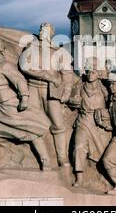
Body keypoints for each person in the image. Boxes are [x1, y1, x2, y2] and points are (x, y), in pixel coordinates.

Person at [0, 37, 52, 170]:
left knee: (30, 130)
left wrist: (24, 98)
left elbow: (20, 81)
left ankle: (45, 160)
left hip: (8, 104)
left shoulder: (5, 65)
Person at [18, 22, 74, 167]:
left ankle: (62, 158)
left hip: (52, 91)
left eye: (45, 30)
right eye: (41, 29)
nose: (42, 32)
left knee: (58, 124)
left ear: (51, 34)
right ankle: (42, 159)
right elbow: (24, 66)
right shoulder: (31, 48)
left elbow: (67, 73)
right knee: (32, 123)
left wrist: (67, 90)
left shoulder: (59, 51)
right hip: (33, 89)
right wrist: (46, 76)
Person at [69, 57, 112, 187]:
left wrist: (106, 116)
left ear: (98, 73)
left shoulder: (104, 87)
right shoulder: (80, 86)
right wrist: (74, 100)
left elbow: (112, 102)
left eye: (93, 71)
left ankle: (105, 176)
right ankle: (79, 177)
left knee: (103, 150)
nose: (90, 74)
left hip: (99, 122)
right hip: (84, 120)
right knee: (79, 147)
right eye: (88, 71)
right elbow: (71, 100)